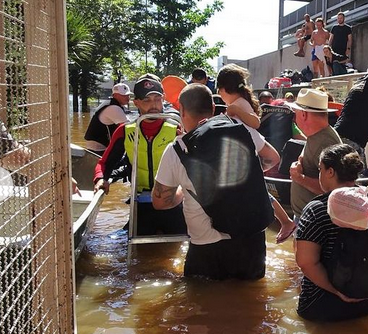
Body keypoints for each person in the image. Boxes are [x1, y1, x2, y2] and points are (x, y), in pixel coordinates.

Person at [152, 84, 278, 280]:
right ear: (212, 108)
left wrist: (184, 188)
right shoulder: (243, 130)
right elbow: (273, 158)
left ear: (181, 110)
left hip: (206, 247)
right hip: (251, 242)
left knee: (202, 305)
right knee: (252, 301)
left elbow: (161, 202)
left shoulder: (177, 149)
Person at [295, 143, 368, 321]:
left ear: (330, 172)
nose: (320, 174)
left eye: (320, 169)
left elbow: (306, 262)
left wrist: (340, 292)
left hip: (324, 307)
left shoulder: (316, 209)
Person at [92, 76, 187, 236]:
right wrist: (101, 179)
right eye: (147, 100)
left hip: (173, 202)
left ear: (163, 99)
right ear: (136, 102)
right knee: (130, 247)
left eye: (157, 99)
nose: (154, 105)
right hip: (142, 202)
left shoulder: (178, 128)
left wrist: (186, 140)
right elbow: (105, 163)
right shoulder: (125, 130)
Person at [215, 65, 296, 243]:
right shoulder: (241, 102)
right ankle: (286, 222)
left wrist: (236, 112)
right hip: (251, 155)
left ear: (223, 89)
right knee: (261, 192)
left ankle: (286, 222)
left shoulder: (237, 106)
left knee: (261, 193)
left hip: (248, 155)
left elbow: (255, 122)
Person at [289, 89, 341, 218]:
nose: (294, 117)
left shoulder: (325, 143)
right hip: (308, 217)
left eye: (296, 113)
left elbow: (334, 187)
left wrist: (299, 178)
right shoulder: (316, 136)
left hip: (315, 222)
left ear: (304, 114)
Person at [84, 83, 132, 152]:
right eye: (123, 95)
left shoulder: (109, 103)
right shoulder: (114, 108)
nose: (127, 97)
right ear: (115, 95)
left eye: (128, 95)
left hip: (95, 144)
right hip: (98, 147)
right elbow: (129, 128)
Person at [215, 64, 261, 129]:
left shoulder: (240, 102)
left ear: (223, 89)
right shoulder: (238, 102)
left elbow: (256, 123)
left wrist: (237, 111)